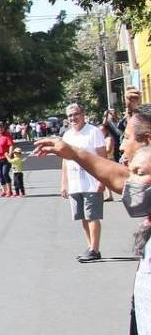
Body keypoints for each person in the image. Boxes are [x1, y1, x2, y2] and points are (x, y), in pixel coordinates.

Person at [61, 102, 109, 262]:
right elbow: (64, 161)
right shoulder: (67, 136)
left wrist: (102, 179)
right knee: (82, 216)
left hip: (92, 181)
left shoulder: (93, 132)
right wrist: (64, 183)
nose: (73, 118)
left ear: (83, 114)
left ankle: (95, 249)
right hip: (75, 182)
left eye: (76, 114)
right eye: (70, 115)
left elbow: (103, 157)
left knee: (92, 216)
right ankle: (90, 247)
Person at [0, 124, 16, 198]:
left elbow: (11, 145)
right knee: (1, 175)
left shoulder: (7, 136)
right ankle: (4, 191)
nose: (0, 129)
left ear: (4, 128)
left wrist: (10, 154)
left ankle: (9, 191)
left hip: (6, 158)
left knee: (5, 173)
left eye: (1, 127)